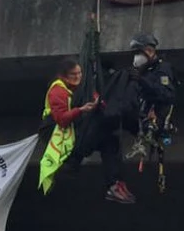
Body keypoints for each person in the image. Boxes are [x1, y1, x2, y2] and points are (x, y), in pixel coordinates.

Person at [38, 58, 136, 204]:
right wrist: (82, 110)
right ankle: (72, 161)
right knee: (97, 123)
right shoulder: (58, 90)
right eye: (73, 74)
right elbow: (61, 119)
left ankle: (114, 184)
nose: (78, 77)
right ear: (63, 76)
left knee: (110, 141)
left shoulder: (79, 90)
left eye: (79, 73)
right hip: (56, 132)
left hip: (71, 131)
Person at [126, 33, 178, 159]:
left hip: (157, 118)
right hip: (140, 119)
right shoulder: (143, 71)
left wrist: (142, 81)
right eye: (135, 54)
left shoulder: (162, 69)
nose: (137, 57)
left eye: (139, 53)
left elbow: (166, 95)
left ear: (150, 51)